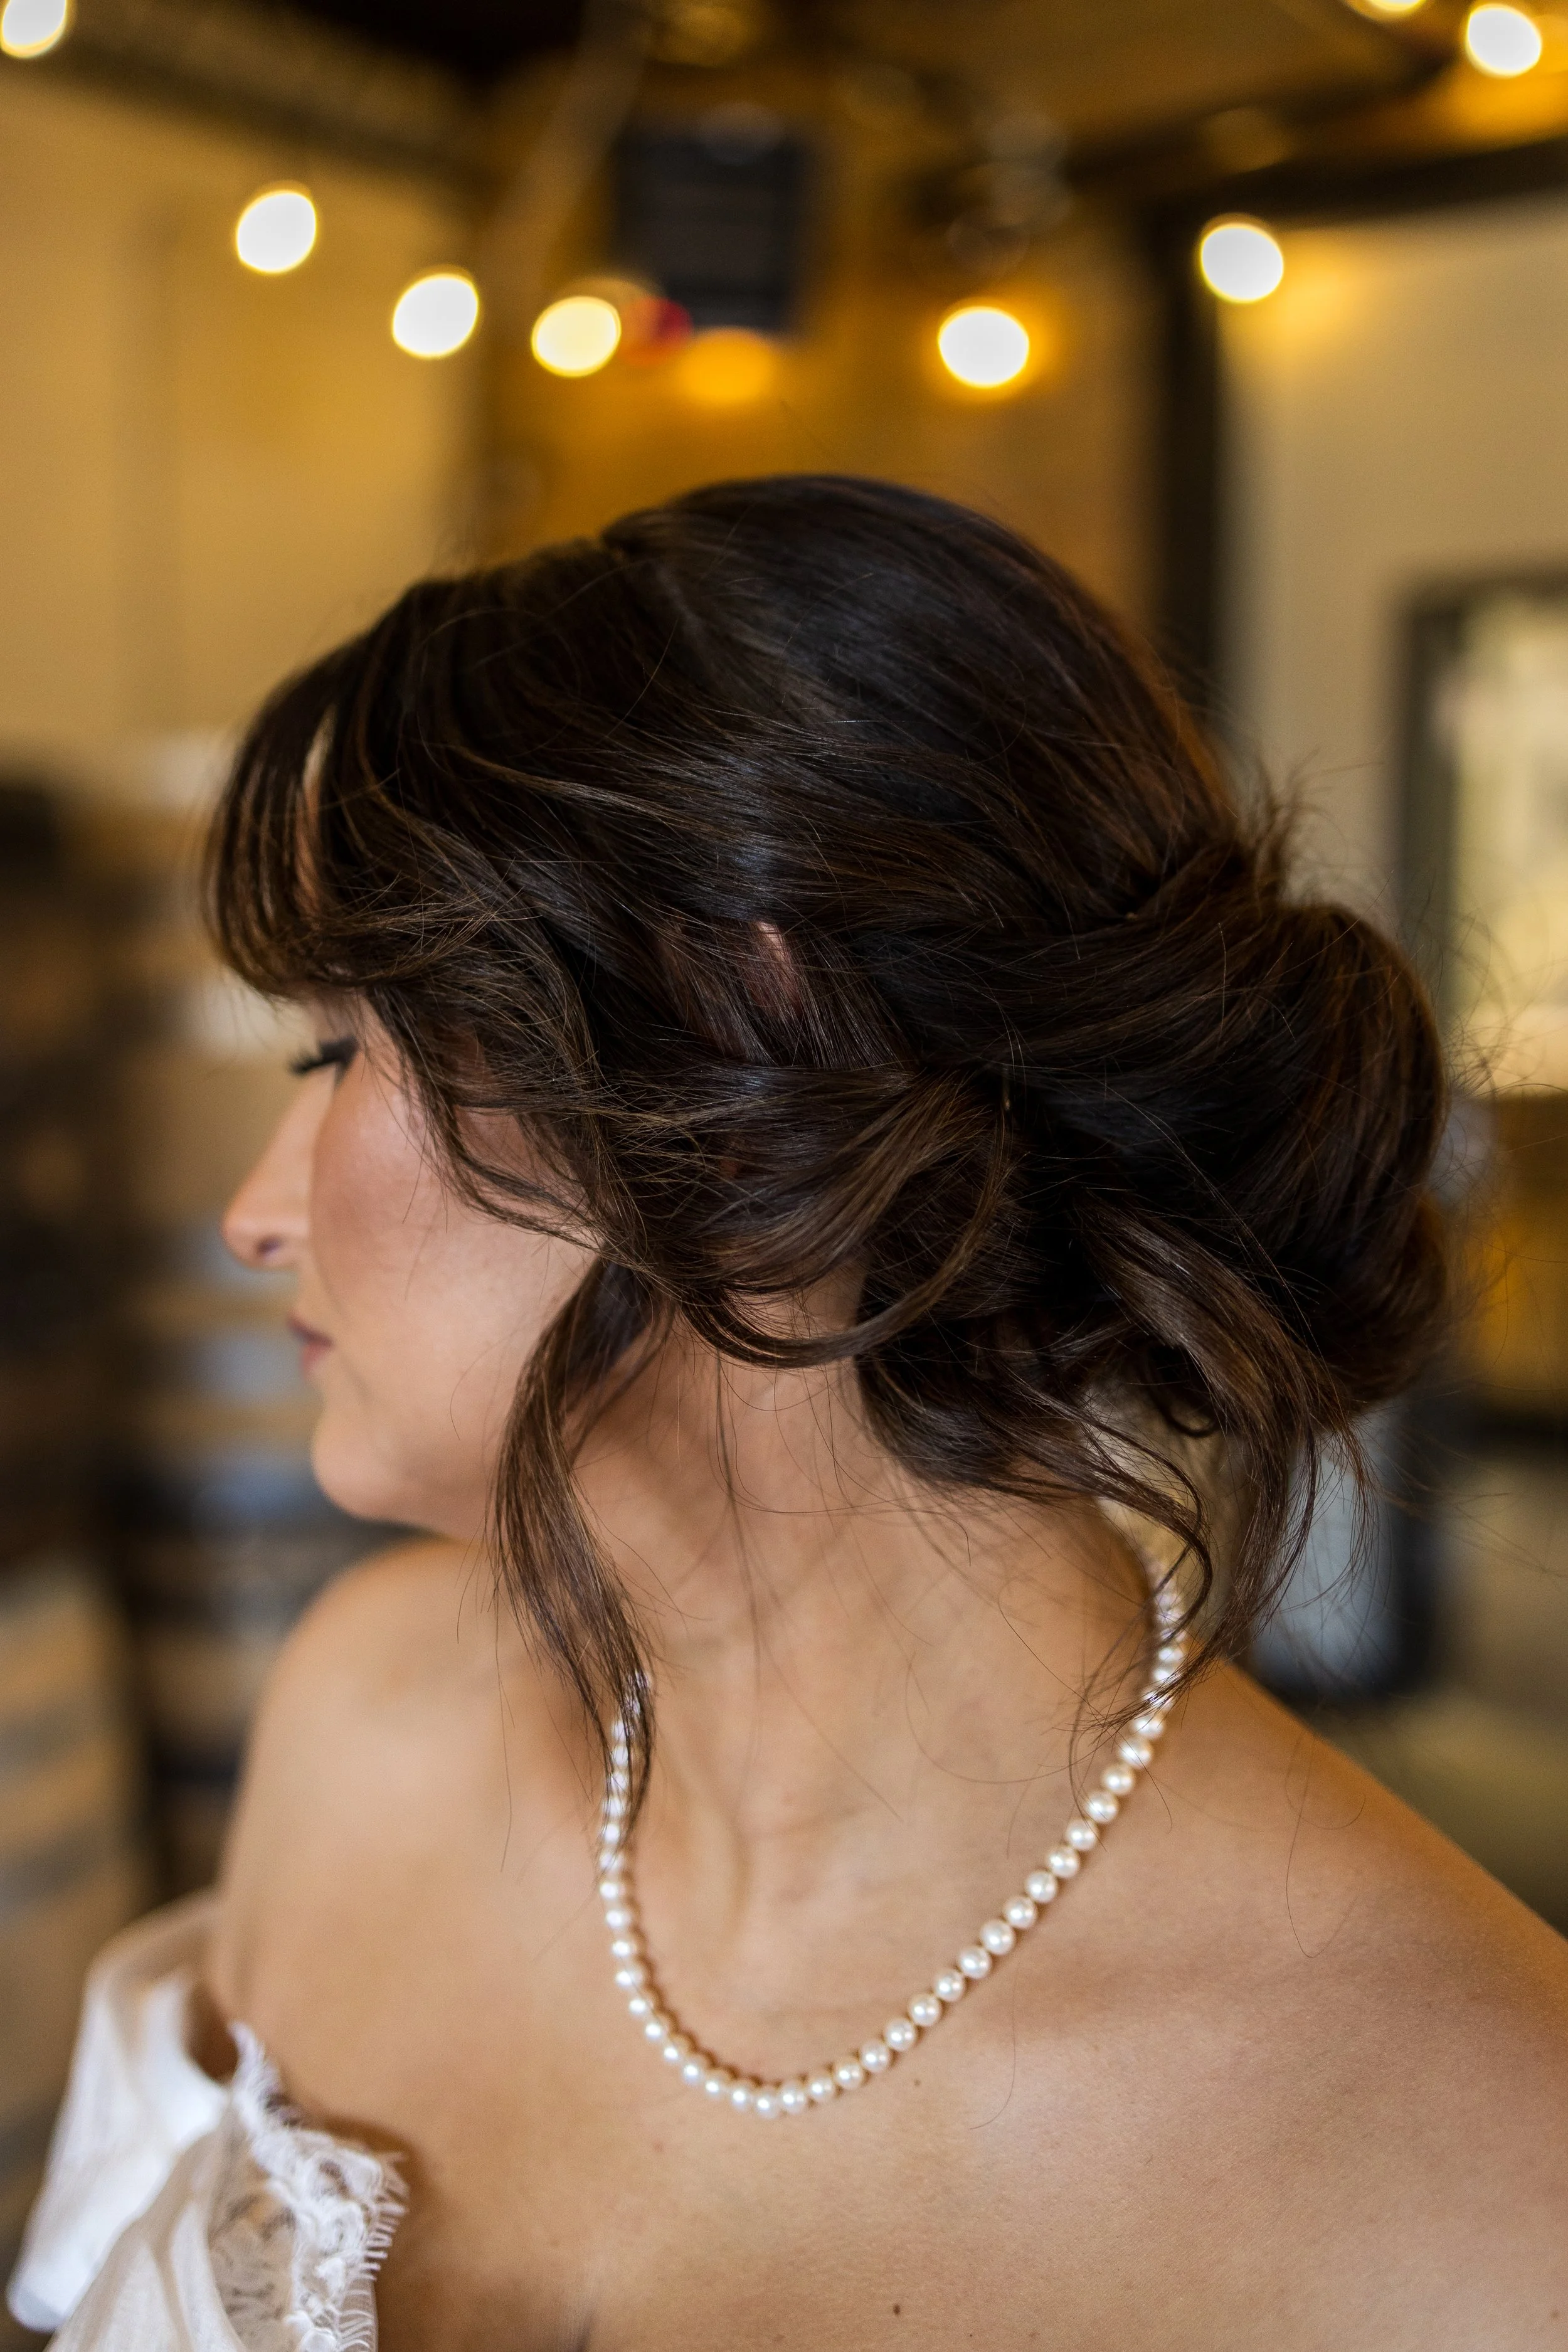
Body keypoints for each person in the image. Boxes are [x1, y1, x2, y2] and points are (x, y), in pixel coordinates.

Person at [12, 475, 1567, 2351]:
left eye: (340, 1050)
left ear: (733, 1051)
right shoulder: (364, 1726)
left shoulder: (1476, 2165)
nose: (252, 1210)